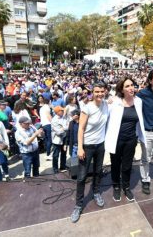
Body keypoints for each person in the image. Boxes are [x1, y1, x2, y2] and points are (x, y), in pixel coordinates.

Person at [71, 82, 109, 223]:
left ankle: (96, 192)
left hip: (100, 145)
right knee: (81, 176)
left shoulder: (106, 104)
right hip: (87, 146)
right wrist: (80, 147)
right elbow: (80, 129)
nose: (99, 94)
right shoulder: (87, 108)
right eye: (97, 91)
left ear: (105, 91)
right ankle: (78, 205)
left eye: (101, 91)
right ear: (92, 92)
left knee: (98, 171)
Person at [105, 77, 146, 202]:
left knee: (127, 165)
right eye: (127, 86)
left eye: (132, 85)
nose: (131, 88)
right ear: (121, 89)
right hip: (116, 139)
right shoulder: (114, 102)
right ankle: (116, 186)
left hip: (131, 139)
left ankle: (126, 186)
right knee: (115, 164)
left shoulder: (138, 101)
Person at [51, 106, 68, 174]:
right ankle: (55, 168)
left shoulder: (63, 117)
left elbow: (67, 126)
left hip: (64, 138)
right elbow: (58, 132)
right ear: (57, 112)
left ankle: (63, 166)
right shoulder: (54, 120)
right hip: (57, 140)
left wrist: (63, 128)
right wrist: (64, 128)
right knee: (56, 155)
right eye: (61, 111)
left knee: (64, 153)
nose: (63, 111)